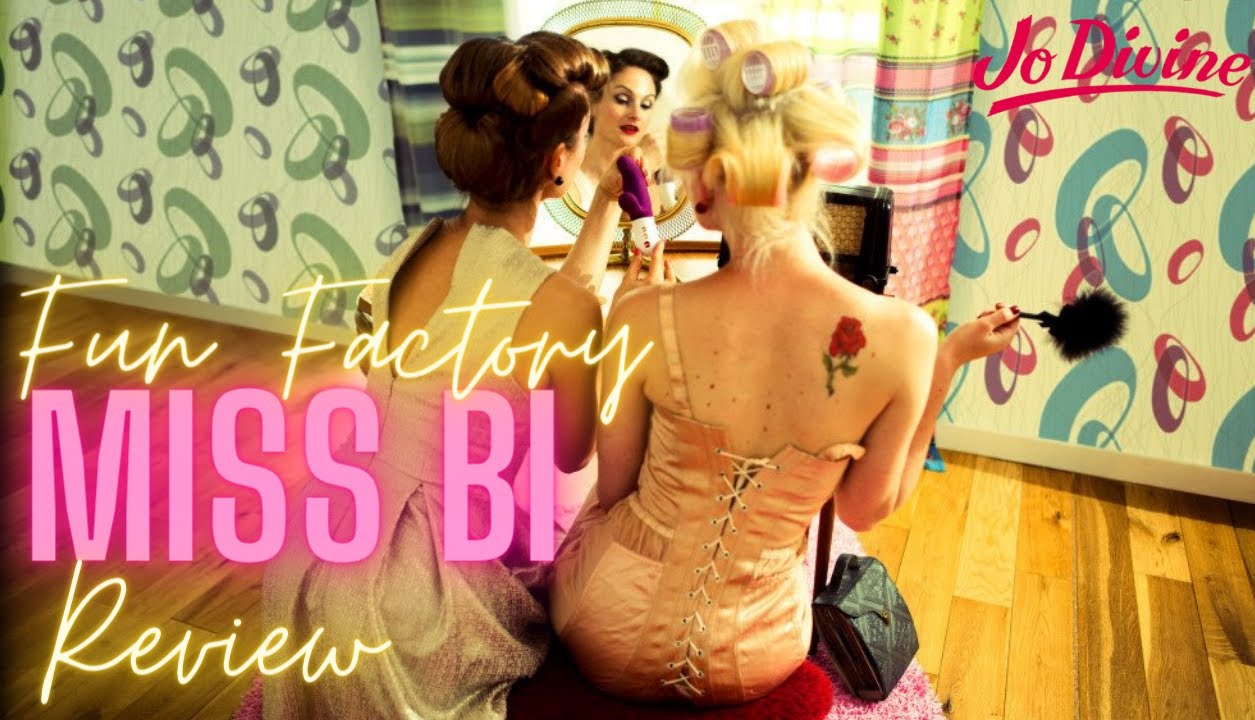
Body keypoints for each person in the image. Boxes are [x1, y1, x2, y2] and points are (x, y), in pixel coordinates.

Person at [550, 24, 1021, 707]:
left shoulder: (644, 315)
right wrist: (947, 364)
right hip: (758, 654)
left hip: (605, 632)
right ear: (812, 171)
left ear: (708, 183)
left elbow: (615, 489)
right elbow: (864, 508)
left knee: (578, 515)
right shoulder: (909, 338)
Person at [262, 31, 627, 720]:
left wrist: (607, 206)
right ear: (558, 162)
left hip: (319, 544)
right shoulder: (565, 308)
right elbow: (571, 452)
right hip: (416, 597)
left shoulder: (408, 250)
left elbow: (533, 307)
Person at [570, 48, 671, 212]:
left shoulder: (661, 187)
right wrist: (638, 171)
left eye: (646, 105)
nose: (636, 114)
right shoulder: (567, 186)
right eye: (622, 99)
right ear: (592, 103)